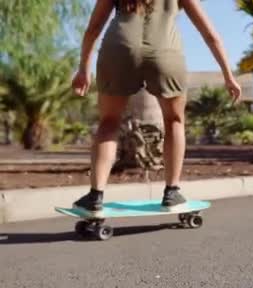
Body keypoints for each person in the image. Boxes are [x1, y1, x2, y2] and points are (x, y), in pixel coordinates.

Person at [71, 0, 241, 216]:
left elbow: (93, 29)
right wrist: (228, 74)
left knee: (109, 122)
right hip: (166, 52)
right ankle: (172, 192)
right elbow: (209, 34)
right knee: (174, 121)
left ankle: (95, 196)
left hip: (118, 48)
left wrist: (83, 69)